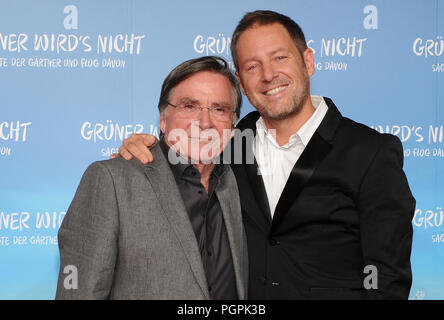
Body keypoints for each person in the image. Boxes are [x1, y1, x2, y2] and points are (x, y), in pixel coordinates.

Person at [114, 10, 415, 299]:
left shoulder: (370, 152)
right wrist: (143, 147)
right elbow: (176, 166)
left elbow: (387, 280)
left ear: (308, 61)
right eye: (253, 66)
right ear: (241, 83)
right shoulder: (227, 142)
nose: (269, 75)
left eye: (280, 58)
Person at [56, 56, 248, 300]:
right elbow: (78, 294)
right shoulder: (112, 181)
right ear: (163, 119)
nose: (205, 122)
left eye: (219, 109)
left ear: (233, 124)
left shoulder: (237, 182)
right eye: (190, 106)